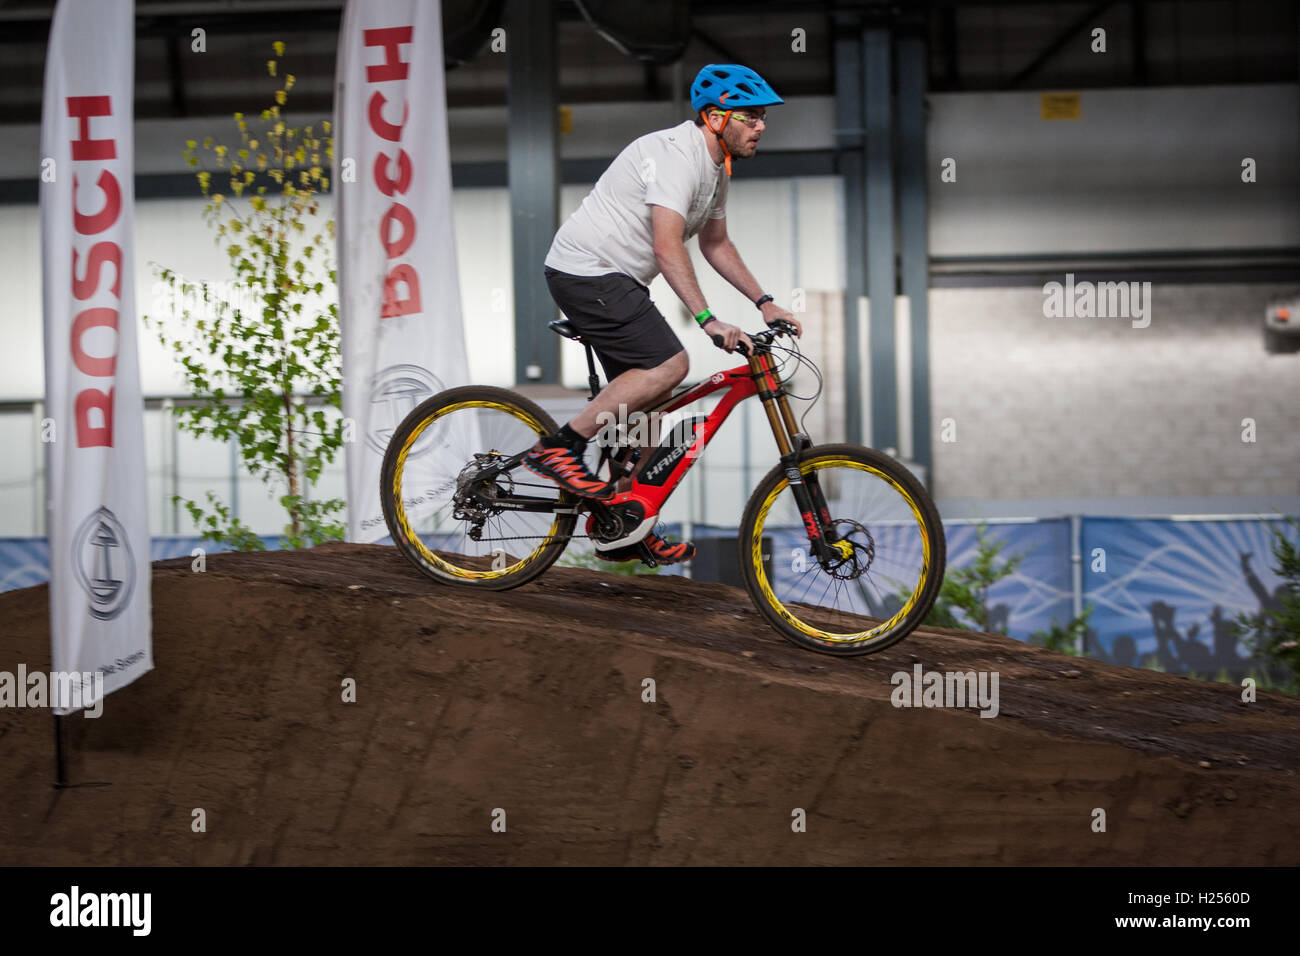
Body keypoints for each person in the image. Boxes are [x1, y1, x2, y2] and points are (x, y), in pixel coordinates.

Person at [524, 64, 802, 564]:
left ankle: (626, 519)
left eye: (762, 117)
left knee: (652, 411)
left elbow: (715, 244)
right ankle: (559, 448)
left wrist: (765, 302)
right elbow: (667, 245)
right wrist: (708, 320)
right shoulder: (678, 156)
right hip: (587, 271)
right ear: (716, 118)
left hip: (618, 279)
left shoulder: (716, 170)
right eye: (751, 116)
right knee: (671, 365)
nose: (761, 125)